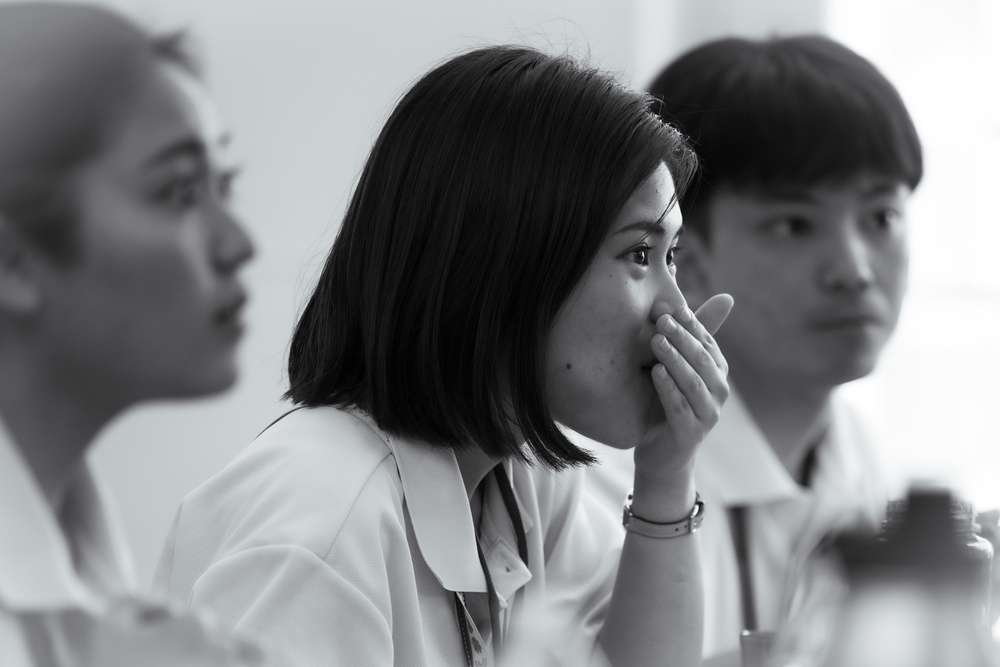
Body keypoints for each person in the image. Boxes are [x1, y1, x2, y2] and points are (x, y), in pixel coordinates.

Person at [153, 45, 734, 667]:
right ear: (507, 260)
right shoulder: (320, 528)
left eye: (669, 258)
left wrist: (667, 473)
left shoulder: (517, 476)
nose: (676, 310)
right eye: (640, 255)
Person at [581, 35, 922, 664]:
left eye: (881, 218)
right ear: (686, 254)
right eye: (794, 224)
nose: (854, 270)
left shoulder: (853, 449)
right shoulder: (602, 480)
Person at [0, 3, 259, 665]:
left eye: (224, 185)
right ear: (11, 261)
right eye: (178, 191)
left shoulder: (84, 547)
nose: (238, 243)